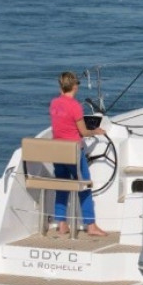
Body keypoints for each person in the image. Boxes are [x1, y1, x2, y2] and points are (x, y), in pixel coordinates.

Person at [49, 71, 108, 236]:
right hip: (73, 152)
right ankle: (91, 225)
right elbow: (83, 132)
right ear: (75, 86)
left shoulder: (54, 103)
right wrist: (96, 131)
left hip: (57, 150)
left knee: (62, 185)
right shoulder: (75, 106)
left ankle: (62, 223)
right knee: (84, 185)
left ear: (61, 86)